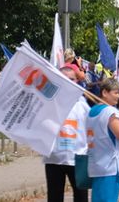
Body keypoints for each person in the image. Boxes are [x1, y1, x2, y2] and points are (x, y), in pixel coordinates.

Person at [43, 66, 90, 202]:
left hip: (78, 158)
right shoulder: (50, 101)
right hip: (54, 158)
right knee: (55, 196)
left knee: (81, 196)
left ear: (77, 81)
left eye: (72, 79)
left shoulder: (83, 103)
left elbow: (91, 126)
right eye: (65, 79)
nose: (69, 82)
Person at [87, 78, 119, 202]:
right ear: (104, 93)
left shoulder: (92, 111)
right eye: (116, 92)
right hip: (111, 165)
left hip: (98, 163)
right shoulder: (110, 112)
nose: (118, 96)